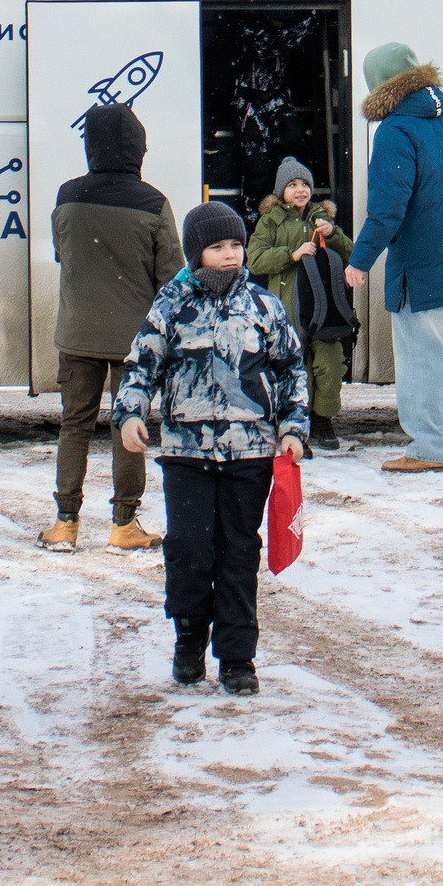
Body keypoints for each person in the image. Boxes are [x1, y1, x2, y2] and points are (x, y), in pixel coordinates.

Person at [115, 202, 311, 696]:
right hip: (187, 453)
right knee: (190, 549)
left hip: (250, 453)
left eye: (236, 245)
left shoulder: (265, 307)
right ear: (196, 252)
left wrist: (292, 427)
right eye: (217, 246)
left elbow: (291, 372)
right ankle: (187, 641)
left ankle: (238, 657)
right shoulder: (172, 304)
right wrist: (132, 412)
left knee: (239, 552)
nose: (229, 255)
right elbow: (142, 364)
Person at [345, 43, 443, 474]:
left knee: (424, 356)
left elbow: (388, 207)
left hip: (422, 264)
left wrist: (360, 260)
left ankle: (429, 446)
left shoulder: (395, 130)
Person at [44, 102, 183, 553]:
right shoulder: (153, 202)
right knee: (131, 423)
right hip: (133, 341)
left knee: (75, 424)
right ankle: (124, 524)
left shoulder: (67, 196)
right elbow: (172, 275)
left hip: (78, 333)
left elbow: (62, 254)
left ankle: (65, 522)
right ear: (137, 149)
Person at [245, 158, 354, 453]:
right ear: (282, 192)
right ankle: (295, 425)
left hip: (323, 307)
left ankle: (322, 419)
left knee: (330, 364)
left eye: (305, 184)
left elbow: (350, 253)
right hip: (287, 307)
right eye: (292, 185)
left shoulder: (321, 218)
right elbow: (254, 259)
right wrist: (290, 255)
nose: (300, 190)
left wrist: (333, 235)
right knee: (295, 368)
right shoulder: (270, 221)